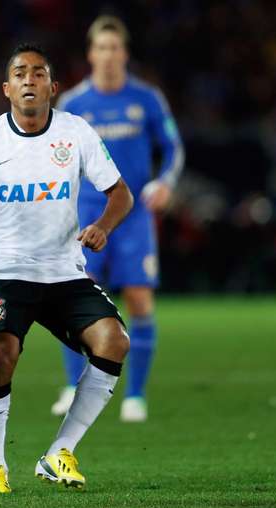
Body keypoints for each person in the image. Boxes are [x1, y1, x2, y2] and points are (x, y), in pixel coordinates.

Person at [0, 43, 133, 493]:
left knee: (114, 341)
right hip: (5, 272)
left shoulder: (76, 132)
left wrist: (104, 227)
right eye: (20, 73)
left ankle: (60, 451)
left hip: (64, 271)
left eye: (38, 73)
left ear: (53, 86)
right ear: (6, 88)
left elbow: (120, 193)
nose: (29, 79)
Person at [52, 15, 184, 422]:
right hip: (87, 213)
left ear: (124, 53)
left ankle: (136, 396)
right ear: (91, 54)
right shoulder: (73, 104)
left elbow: (173, 148)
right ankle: (75, 386)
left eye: (115, 48)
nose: (108, 55)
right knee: (77, 299)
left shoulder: (146, 99)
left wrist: (165, 182)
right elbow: (53, 159)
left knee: (139, 299)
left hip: (133, 214)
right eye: (101, 48)